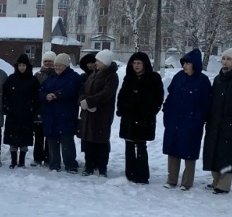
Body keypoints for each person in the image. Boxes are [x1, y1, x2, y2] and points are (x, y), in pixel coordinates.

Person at [162, 48, 212, 191]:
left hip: (192, 122)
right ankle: (171, 179)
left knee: (189, 152)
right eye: (184, 63)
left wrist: (197, 118)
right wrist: (167, 111)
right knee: (173, 149)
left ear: (194, 64)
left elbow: (206, 103)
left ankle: (187, 182)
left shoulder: (203, 80)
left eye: (188, 63)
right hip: (175, 119)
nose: (185, 66)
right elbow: (171, 95)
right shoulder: (178, 77)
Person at [202, 48, 232, 194]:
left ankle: (223, 185)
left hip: (230, 124)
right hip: (215, 122)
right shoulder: (218, 78)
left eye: (229, 59)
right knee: (214, 153)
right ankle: (216, 181)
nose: (225, 62)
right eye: (224, 59)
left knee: (228, 154)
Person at [116, 51, 165, 184]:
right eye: (134, 63)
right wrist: (121, 109)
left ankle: (143, 175)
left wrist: (151, 111)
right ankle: (130, 173)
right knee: (129, 145)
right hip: (129, 117)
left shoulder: (153, 78)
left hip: (144, 118)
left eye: (139, 63)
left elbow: (158, 97)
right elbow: (122, 95)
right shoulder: (129, 78)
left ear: (145, 64)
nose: (136, 66)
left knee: (141, 146)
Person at [78, 49, 119, 177]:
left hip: (102, 114)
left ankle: (102, 167)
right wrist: (83, 100)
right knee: (89, 140)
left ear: (105, 62)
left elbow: (106, 93)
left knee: (101, 141)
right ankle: (89, 166)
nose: (95, 63)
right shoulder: (94, 73)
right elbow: (84, 89)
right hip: (88, 113)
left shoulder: (111, 76)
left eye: (98, 61)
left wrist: (90, 102)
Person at [39, 53, 82, 173]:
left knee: (66, 140)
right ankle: (54, 164)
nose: (57, 67)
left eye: (60, 65)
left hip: (66, 114)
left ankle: (70, 164)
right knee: (52, 140)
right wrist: (45, 96)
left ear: (66, 66)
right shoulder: (51, 78)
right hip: (50, 114)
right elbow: (41, 90)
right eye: (56, 65)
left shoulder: (73, 77)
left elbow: (70, 90)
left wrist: (56, 95)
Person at [2, 53, 40, 168]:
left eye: (24, 65)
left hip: (27, 114)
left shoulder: (33, 80)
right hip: (13, 113)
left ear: (27, 66)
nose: (22, 68)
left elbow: (37, 97)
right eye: (20, 65)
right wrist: (6, 106)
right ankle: (13, 161)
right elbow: (5, 94)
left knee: (24, 138)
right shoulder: (11, 79)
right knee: (13, 139)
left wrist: (33, 109)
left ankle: (22, 161)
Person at [32, 52, 56, 166]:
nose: (48, 63)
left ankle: (48, 157)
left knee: (50, 136)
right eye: (46, 61)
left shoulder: (57, 74)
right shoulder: (37, 75)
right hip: (39, 109)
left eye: (50, 61)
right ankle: (37, 158)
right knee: (39, 136)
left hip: (52, 109)